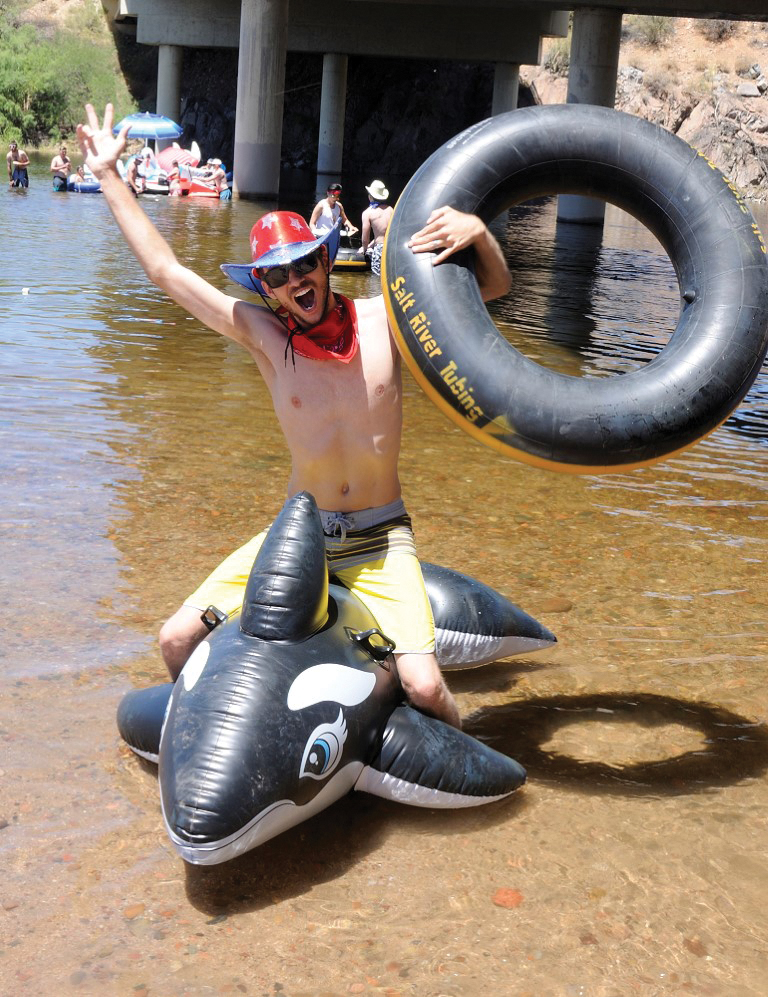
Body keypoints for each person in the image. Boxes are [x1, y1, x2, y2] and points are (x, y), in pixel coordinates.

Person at [77, 103, 511, 729]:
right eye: (278, 274)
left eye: (305, 263)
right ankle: (232, 739)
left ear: (326, 261)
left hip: (381, 535)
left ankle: (461, 764)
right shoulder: (264, 338)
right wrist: (110, 176)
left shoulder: (384, 316)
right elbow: (166, 272)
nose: (296, 279)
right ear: (266, 288)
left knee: (425, 686)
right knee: (174, 640)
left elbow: (490, 292)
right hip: (299, 537)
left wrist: (479, 233)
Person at [361, 179, 395, 276]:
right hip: (391, 247)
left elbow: (365, 238)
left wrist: (364, 249)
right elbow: (387, 232)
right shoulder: (390, 210)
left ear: (370, 196)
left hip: (380, 248)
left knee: (377, 277)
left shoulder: (367, 213)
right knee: (389, 276)